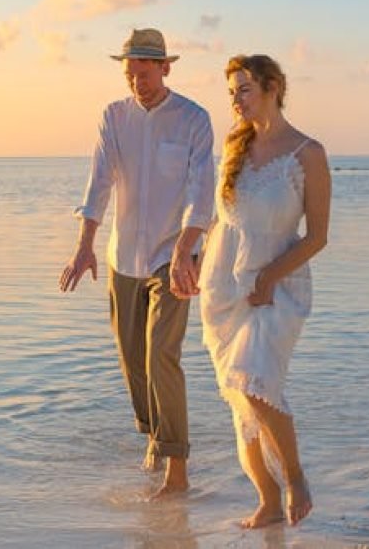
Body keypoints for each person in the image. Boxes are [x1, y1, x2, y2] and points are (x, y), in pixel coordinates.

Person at [60, 27, 215, 497]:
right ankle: (153, 436)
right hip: (122, 257)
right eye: (130, 74)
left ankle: (177, 469)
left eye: (144, 73)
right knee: (133, 361)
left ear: (165, 67)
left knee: (160, 355)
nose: (137, 83)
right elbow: (99, 183)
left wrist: (189, 247)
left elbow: (202, 190)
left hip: (174, 257)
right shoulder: (114, 116)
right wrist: (85, 243)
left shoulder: (193, 119)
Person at [196, 54, 330, 529]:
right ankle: (267, 501)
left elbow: (317, 236)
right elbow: (220, 219)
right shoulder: (235, 146)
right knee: (239, 395)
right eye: (231, 91)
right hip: (223, 286)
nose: (234, 100)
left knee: (255, 382)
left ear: (273, 86)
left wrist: (270, 277)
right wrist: (188, 259)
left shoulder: (307, 154)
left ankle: (295, 478)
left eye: (244, 89)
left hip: (277, 286)